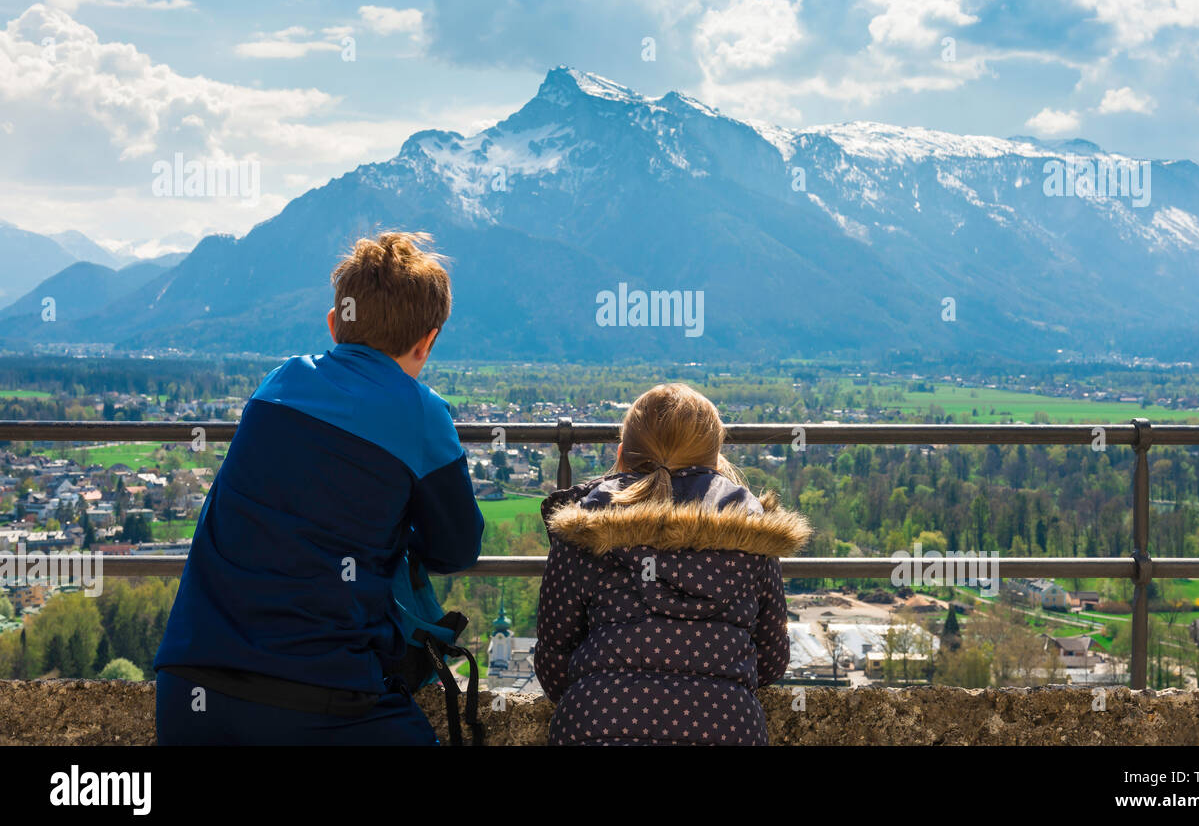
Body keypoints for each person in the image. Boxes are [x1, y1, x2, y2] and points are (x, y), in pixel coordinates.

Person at [154, 232, 483, 745]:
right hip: (322, 701)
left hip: (188, 689)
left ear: (334, 326)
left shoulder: (277, 385)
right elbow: (457, 547)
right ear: (429, 340)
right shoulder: (421, 414)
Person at [535, 383, 810, 745]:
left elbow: (554, 656)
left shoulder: (585, 532)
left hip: (593, 721)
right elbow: (771, 657)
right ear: (716, 464)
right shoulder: (752, 539)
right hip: (728, 726)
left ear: (621, 456)